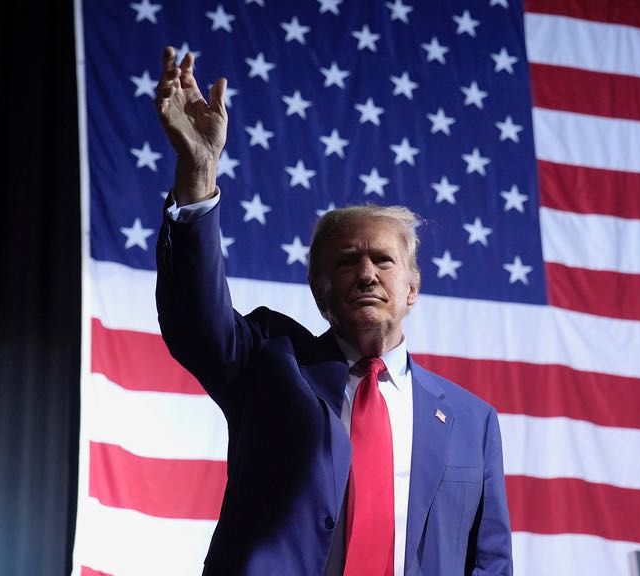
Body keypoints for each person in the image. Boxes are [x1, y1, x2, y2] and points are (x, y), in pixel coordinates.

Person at [153, 46, 512, 575]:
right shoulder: (269, 363)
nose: (367, 273)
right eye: (347, 261)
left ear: (412, 287)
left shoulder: (472, 421)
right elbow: (195, 320)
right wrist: (198, 176)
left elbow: (489, 562)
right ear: (320, 291)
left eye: (383, 261)